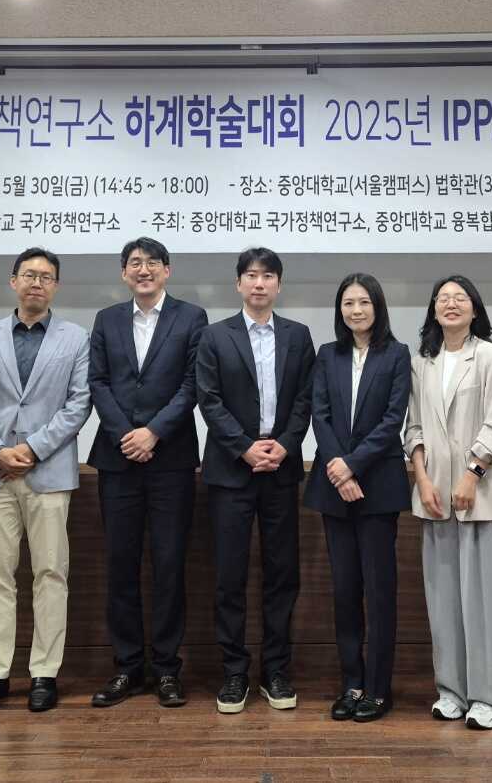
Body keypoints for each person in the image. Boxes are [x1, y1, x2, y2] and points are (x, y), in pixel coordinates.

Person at [0, 247, 92, 715]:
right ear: (13, 281)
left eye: (46, 277)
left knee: (51, 574)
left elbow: (78, 404)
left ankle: (44, 674)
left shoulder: (76, 338)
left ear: (56, 286)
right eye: (29, 275)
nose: (37, 282)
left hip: (48, 473)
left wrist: (32, 449)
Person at [87, 237, 208, 709]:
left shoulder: (191, 317)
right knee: (121, 565)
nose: (144, 270)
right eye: (135, 263)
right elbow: (98, 381)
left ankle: (167, 669)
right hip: (117, 459)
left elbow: (192, 384)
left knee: (169, 565)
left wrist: (153, 432)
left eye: (152, 263)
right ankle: (127, 667)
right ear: (123, 273)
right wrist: (127, 434)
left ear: (167, 270)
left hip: (171, 459)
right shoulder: (107, 319)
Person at [196, 246, 316, 714]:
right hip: (231, 470)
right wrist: (245, 447)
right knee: (229, 576)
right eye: (251, 275)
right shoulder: (214, 335)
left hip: (281, 468)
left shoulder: (298, 336)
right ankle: (233, 672)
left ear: (279, 285)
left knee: (282, 575)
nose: (259, 283)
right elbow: (209, 400)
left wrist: (285, 444)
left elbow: (306, 397)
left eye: (267, 276)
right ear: (238, 284)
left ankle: (276, 671)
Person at [404, 274, 492, 730]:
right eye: (443, 298)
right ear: (433, 309)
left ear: (474, 308)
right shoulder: (422, 363)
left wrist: (472, 475)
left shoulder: (491, 356)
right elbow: (413, 427)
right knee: (444, 599)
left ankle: (491, 698)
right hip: (434, 497)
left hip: (480, 496)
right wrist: (422, 478)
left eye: (460, 298)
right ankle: (451, 691)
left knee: (484, 602)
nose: (451, 304)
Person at [303, 273, 411, 723]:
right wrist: (337, 467)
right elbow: (320, 414)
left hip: (377, 486)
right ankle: (352, 682)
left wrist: (352, 465)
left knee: (379, 591)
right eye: (348, 303)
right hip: (334, 487)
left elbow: (392, 420)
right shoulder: (328, 354)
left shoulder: (397, 354)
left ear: (377, 307)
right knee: (345, 590)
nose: (356, 310)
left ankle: (379, 688)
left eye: (364, 302)